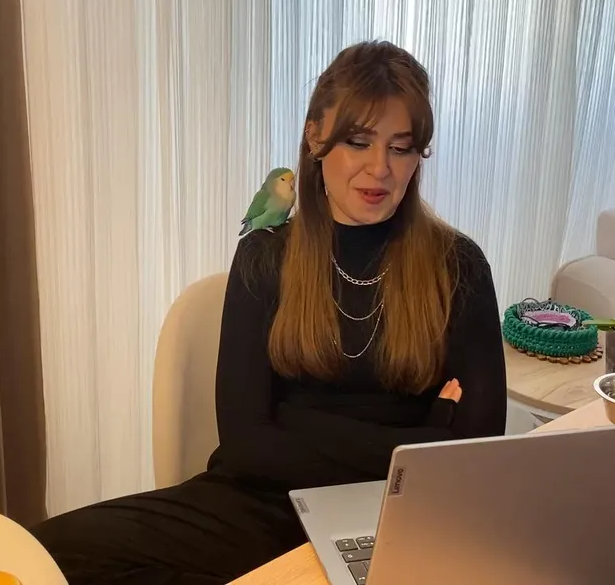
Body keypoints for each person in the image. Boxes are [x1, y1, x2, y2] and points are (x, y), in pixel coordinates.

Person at [30, 41, 507, 584]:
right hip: (264, 501)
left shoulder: (458, 265)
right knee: (44, 555)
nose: (380, 169)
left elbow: (475, 454)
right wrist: (424, 434)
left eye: (401, 148)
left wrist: (297, 422)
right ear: (316, 137)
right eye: (358, 142)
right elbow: (246, 445)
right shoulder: (265, 256)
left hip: (401, 515)